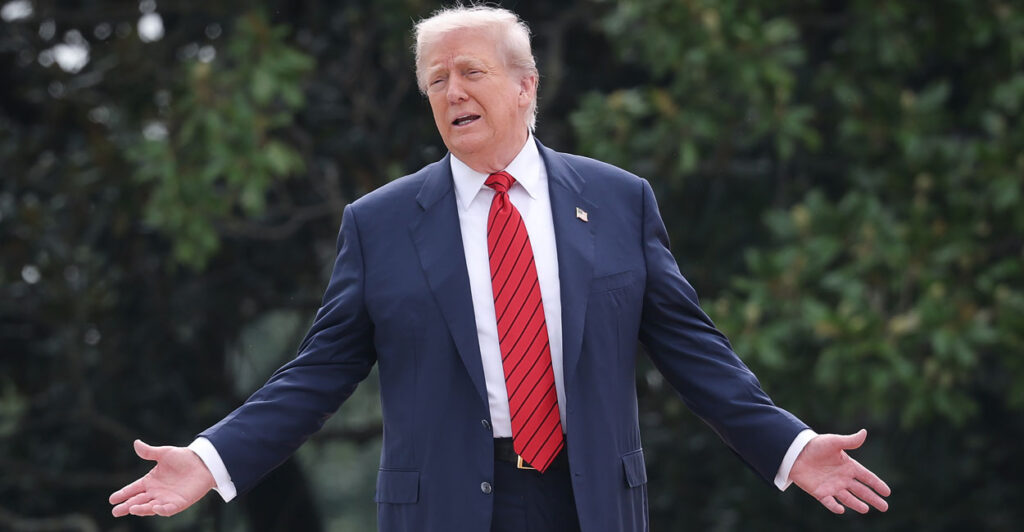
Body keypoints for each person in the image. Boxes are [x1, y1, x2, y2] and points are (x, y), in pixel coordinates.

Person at [109, 6, 890, 531]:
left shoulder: (619, 202)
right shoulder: (380, 224)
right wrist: (211, 461)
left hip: (591, 499)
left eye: (470, 73)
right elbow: (318, 372)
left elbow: (695, 354)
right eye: (436, 81)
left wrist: (790, 447)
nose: (452, 92)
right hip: (444, 501)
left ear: (525, 87)